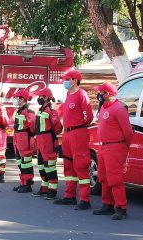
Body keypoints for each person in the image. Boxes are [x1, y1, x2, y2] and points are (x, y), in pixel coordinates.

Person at [92, 83, 133, 220]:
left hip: (115, 147)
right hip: (103, 147)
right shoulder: (104, 107)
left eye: (101, 92)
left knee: (115, 179)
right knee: (103, 177)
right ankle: (107, 204)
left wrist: (123, 146)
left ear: (108, 94)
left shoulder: (119, 109)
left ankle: (121, 208)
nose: (99, 95)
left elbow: (128, 132)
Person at [55, 70, 94, 210]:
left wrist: (80, 125)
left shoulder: (81, 94)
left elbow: (89, 116)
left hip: (78, 133)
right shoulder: (68, 94)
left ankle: (85, 199)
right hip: (68, 134)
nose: (64, 82)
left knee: (81, 165)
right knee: (68, 165)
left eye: (66, 79)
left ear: (74, 80)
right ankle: (69, 195)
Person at [32, 88, 63, 200]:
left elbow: (58, 127)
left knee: (49, 166)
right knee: (41, 165)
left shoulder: (51, 110)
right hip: (41, 141)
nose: (38, 98)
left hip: (48, 140)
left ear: (45, 97)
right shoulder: (41, 110)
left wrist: (50, 136)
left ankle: (52, 190)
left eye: (40, 96)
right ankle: (44, 188)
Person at [12, 90, 35, 193]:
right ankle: (23, 182)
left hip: (24, 137)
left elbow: (32, 126)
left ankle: (28, 184)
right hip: (18, 137)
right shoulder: (20, 110)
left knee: (26, 162)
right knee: (20, 161)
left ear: (22, 99)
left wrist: (28, 136)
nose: (15, 99)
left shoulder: (28, 111)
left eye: (17, 98)